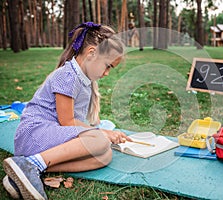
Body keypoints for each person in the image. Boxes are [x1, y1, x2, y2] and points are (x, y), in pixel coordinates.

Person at [2, 22, 132, 200]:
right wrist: (102, 133)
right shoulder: (67, 76)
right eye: (108, 66)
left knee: (105, 156)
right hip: (34, 135)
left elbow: (77, 125)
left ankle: (26, 167)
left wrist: (101, 133)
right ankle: (30, 163)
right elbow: (67, 122)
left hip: (48, 140)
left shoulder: (83, 80)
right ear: (92, 53)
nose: (107, 73)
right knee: (99, 139)